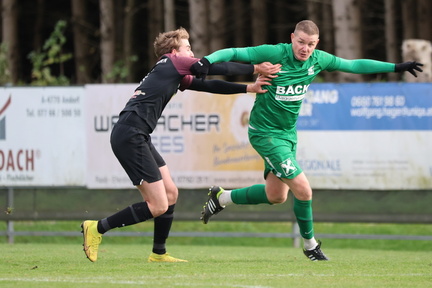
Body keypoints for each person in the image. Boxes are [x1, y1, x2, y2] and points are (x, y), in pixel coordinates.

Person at [192, 20, 423, 261]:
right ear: (292, 38)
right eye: (301, 42)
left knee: (276, 196)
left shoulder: (318, 59)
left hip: (288, 135)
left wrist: (397, 67)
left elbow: (353, 65)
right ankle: (310, 245)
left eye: (310, 44)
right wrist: (208, 60)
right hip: (265, 134)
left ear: (317, 44)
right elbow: (236, 52)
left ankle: (222, 197)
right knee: (303, 189)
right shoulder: (275, 53)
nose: (305, 48)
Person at [80, 27, 281, 263]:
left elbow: (208, 85)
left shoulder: (172, 71)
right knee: (157, 205)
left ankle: (158, 253)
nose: (193, 52)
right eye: (188, 48)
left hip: (137, 135)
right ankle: (96, 228)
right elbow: (213, 67)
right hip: (130, 136)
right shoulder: (173, 62)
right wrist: (255, 68)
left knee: (171, 193)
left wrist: (248, 87)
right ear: (175, 51)